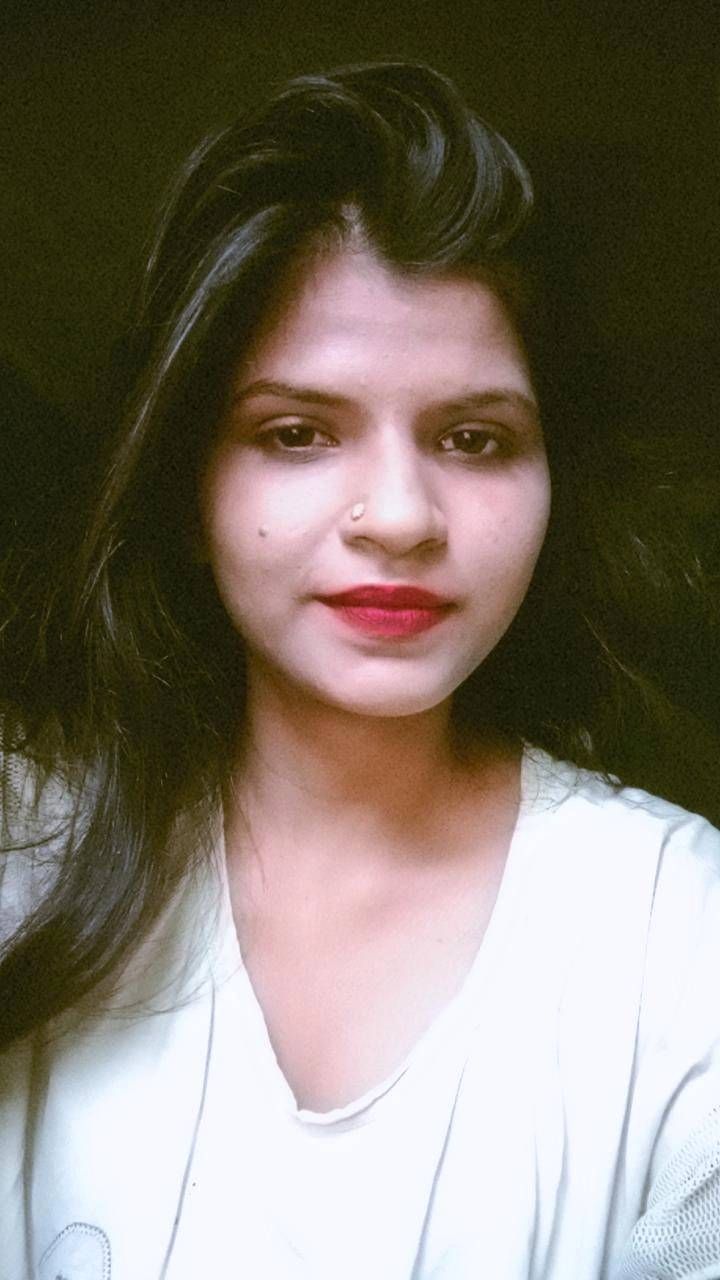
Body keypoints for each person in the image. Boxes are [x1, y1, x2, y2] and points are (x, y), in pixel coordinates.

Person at [1, 59, 719, 1280]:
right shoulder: (27, 846)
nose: (398, 515)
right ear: (186, 479)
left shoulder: (682, 933)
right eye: (296, 432)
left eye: (475, 438)